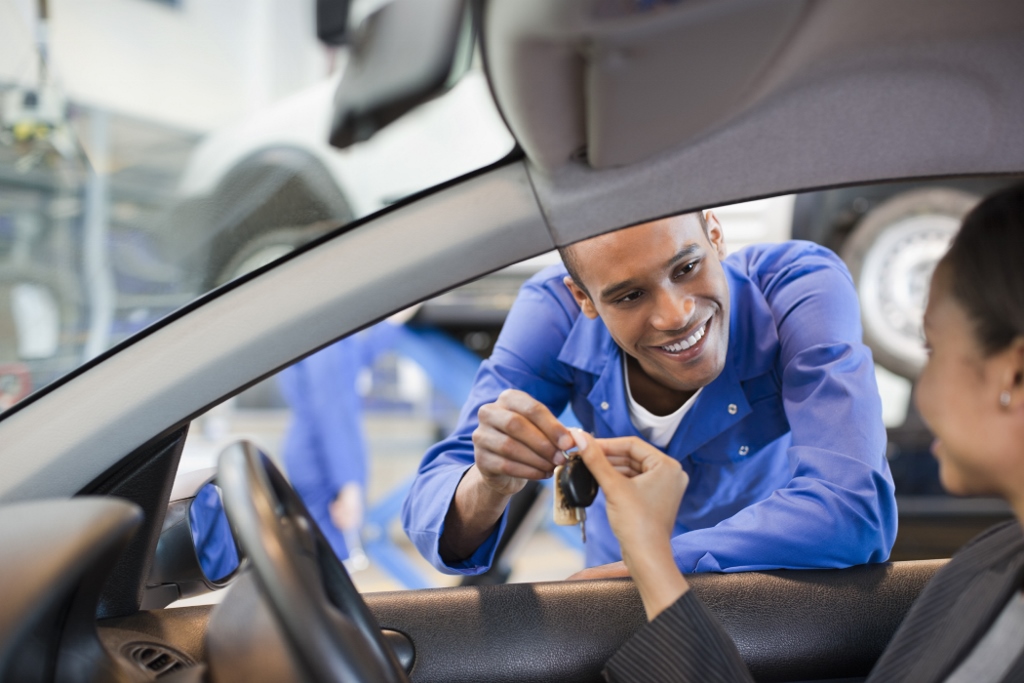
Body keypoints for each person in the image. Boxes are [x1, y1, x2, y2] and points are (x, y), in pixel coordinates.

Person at [592, 184, 1024, 682]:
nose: (921, 392)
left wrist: (654, 557)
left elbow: (852, 512)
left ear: (1012, 374)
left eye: (933, 351)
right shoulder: (990, 563)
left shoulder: (986, 569)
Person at [403, 209, 897, 578]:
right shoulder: (552, 310)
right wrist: (488, 484)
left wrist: (648, 563)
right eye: (629, 296)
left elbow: (854, 509)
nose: (675, 315)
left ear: (716, 234)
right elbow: (434, 511)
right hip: (622, 606)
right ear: (584, 299)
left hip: (767, 595)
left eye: (686, 268)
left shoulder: (796, 287)